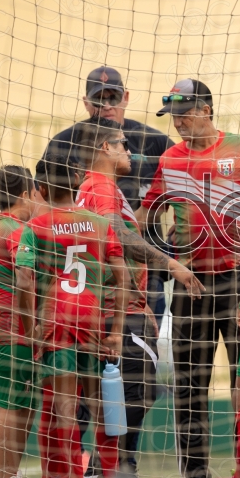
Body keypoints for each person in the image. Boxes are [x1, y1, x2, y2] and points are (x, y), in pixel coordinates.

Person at [136, 79, 240, 478]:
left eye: (184, 112)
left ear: (207, 110)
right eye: (173, 115)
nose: (177, 122)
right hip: (192, 287)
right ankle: (195, 474)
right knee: (190, 385)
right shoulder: (170, 160)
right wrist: (161, 262)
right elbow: (146, 216)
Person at [76, 117, 204, 477]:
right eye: (122, 144)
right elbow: (115, 231)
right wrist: (171, 265)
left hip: (107, 305)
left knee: (125, 392)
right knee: (139, 389)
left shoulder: (95, 187)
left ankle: (106, 464)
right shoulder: (100, 187)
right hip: (118, 308)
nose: (129, 151)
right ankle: (107, 465)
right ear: (105, 148)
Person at [15, 154, 134, 478]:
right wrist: (117, 332)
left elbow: (24, 278)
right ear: (78, 181)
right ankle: (110, 475)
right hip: (93, 322)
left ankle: (71, 476)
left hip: (58, 323)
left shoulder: (35, 227)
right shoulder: (100, 223)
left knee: (65, 411)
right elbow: (123, 279)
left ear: (40, 188)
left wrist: (31, 329)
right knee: (102, 409)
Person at [44, 66, 175, 324]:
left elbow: (186, 181)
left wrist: (182, 223)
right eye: (98, 99)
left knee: (140, 354)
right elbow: (45, 202)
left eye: (113, 98)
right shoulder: (63, 144)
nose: (106, 105)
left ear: (125, 97)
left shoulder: (156, 142)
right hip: (87, 272)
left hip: (146, 273)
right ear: (85, 102)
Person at [0, 165, 47, 478]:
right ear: (23, 194)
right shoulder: (18, 229)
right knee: (9, 402)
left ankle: (12, 473)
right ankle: (6, 476)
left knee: (24, 400)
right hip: (9, 328)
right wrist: (31, 326)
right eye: (34, 193)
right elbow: (24, 278)